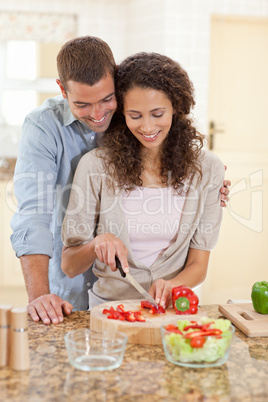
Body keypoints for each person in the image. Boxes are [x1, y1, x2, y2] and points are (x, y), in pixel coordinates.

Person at [11, 36, 229, 325]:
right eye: (83, 105)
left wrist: (210, 184)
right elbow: (33, 215)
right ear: (62, 90)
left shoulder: (140, 116)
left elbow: (198, 260)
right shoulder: (49, 130)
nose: (99, 114)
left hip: (164, 313)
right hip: (83, 294)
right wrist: (40, 295)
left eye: (106, 100)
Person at [61, 52, 226, 310]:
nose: (148, 127)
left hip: (174, 310)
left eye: (158, 113)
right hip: (109, 310)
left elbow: (198, 266)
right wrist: (96, 244)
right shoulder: (96, 166)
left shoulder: (208, 169)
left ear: (176, 107)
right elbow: (70, 265)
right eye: (135, 116)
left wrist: (173, 284)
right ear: (122, 113)